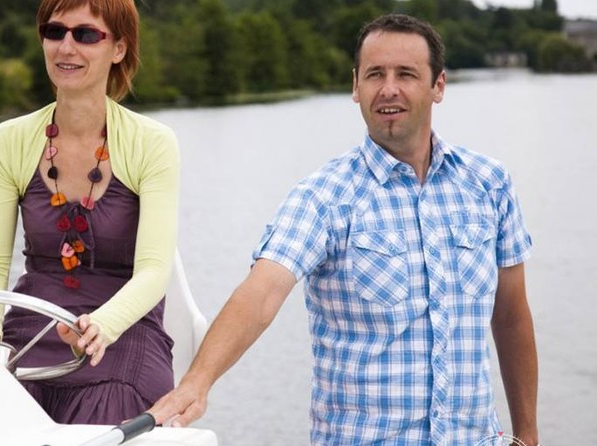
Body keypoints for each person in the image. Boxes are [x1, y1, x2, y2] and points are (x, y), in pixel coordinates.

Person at [148, 13, 539, 445]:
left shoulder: (489, 184)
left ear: (438, 86)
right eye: (375, 74)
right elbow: (261, 294)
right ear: (356, 86)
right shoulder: (324, 197)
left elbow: (511, 315)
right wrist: (196, 382)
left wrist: (527, 435)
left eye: (406, 74)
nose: (388, 89)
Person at [0, 0, 180, 426]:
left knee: (108, 409)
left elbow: (154, 272)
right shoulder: (9, 140)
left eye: (86, 34)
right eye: (55, 32)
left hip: (121, 333)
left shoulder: (153, 143)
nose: (66, 47)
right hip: (32, 328)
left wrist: (102, 325)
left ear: (119, 49)